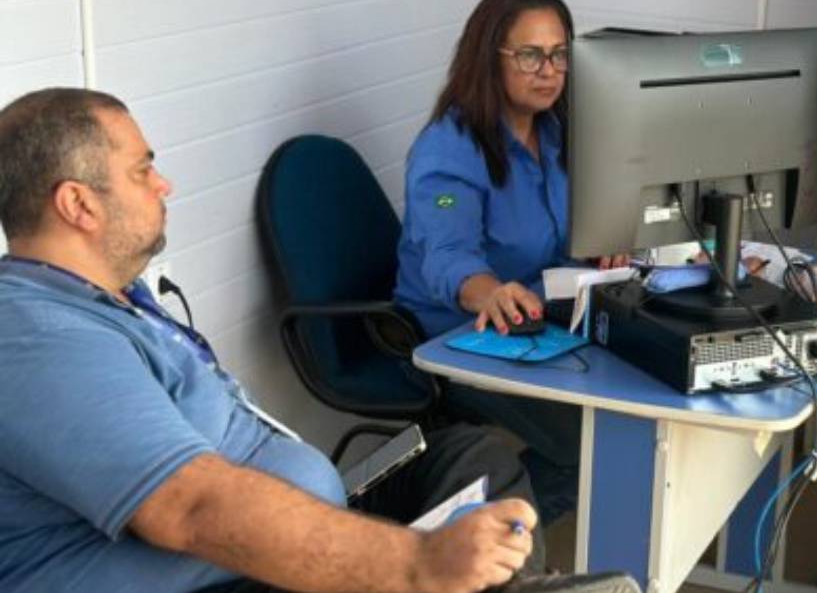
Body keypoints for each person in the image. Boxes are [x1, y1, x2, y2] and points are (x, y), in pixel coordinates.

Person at [0, 88, 540, 593]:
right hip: (223, 577)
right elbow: (190, 509)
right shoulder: (40, 338)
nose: (163, 184)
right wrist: (415, 562)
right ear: (79, 205)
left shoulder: (111, 296)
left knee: (472, 457)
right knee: (452, 556)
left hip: (270, 540)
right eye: (142, 170)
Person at [395, 0, 615, 524]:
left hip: (544, 320)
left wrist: (608, 245)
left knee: (629, 412)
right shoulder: (448, 148)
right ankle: (466, 539)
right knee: (595, 447)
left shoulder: (559, 133)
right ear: (488, 59)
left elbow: (576, 228)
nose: (549, 70)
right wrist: (490, 292)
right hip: (462, 331)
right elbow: (448, 255)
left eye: (560, 54)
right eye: (530, 55)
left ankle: (486, 534)